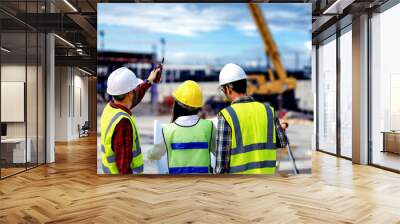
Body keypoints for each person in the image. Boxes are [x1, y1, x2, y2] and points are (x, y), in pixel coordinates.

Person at [215, 63, 287, 174]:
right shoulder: (269, 111)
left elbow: (221, 165)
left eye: (223, 90)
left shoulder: (226, 116)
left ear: (228, 88)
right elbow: (282, 142)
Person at [100, 66, 161, 174]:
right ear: (129, 93)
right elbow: (123, 166)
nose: (136, 91)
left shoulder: (110, 108)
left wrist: (149, 81)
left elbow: (136, 95)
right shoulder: (123, 123)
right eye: (134, 90)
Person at [148, 80, 216, 174]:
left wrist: (149, 155)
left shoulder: (168, 130)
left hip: (177, 184)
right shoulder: (209, 127)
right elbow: (218, 152)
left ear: (176, 105)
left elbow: (155, 154)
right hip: (203, 184)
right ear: (198, 106)